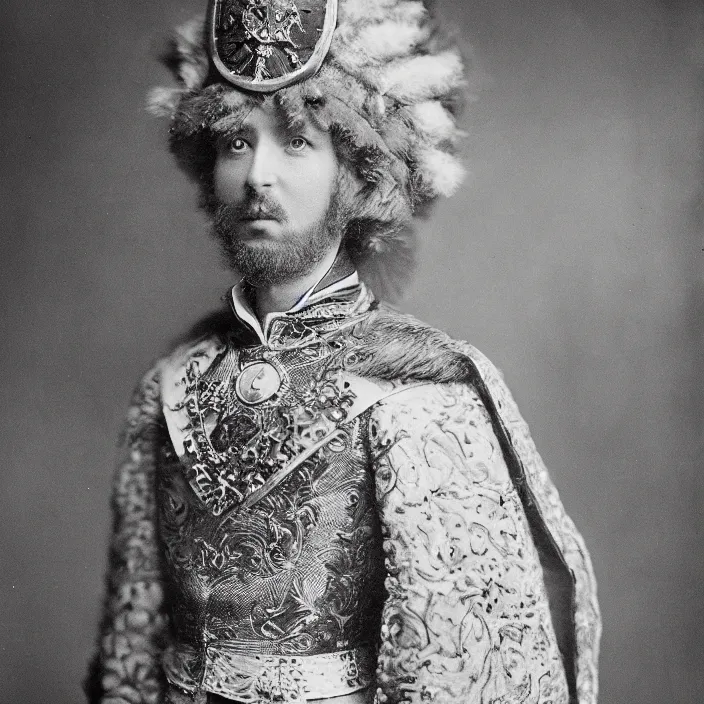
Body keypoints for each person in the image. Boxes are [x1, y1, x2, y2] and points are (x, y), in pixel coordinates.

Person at [86, 1, 601, 703]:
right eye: (237, 142)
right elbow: (131, 649)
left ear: (357, 171)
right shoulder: (171, 387)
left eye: (295, 142)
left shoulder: (420, 402)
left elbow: (457, 673)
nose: (259, 174)